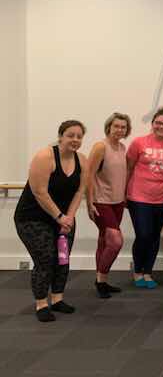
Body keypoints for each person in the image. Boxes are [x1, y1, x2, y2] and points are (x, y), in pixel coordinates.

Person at [14, 120, 87, 322]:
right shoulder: (45, 157)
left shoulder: (82, 160)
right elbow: (40, 192)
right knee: (46, 259)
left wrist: (69, 217)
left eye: (79, 136)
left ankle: (57, 299)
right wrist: (60, 217)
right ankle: (41, 304)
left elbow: (80, 191)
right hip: (32, 218)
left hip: (63, 218)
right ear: (60, 136)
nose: (75, 139)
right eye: (70, 135)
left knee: (63, 259)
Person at [126, 106, 163, 288]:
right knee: (143, 234)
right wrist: (123, 193)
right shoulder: (138, 143)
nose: (161, 126)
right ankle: (137, 271)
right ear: (152, 124)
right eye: (158, 123)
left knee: (155, 236)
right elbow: (129, 168)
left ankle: (148, 272)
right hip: (138, 196)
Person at [86, 112, 131, 299]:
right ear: (109, 127)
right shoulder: (100, 147)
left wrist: (125, 197)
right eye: (116, 126)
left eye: (123, 127)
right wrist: (89, 202)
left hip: (117, 202)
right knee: (115, 241)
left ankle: (102, 280)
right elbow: (88, 174)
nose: (120, 129)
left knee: (105, 240)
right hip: (101, 201)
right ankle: (100, 279)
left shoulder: (122, 148)